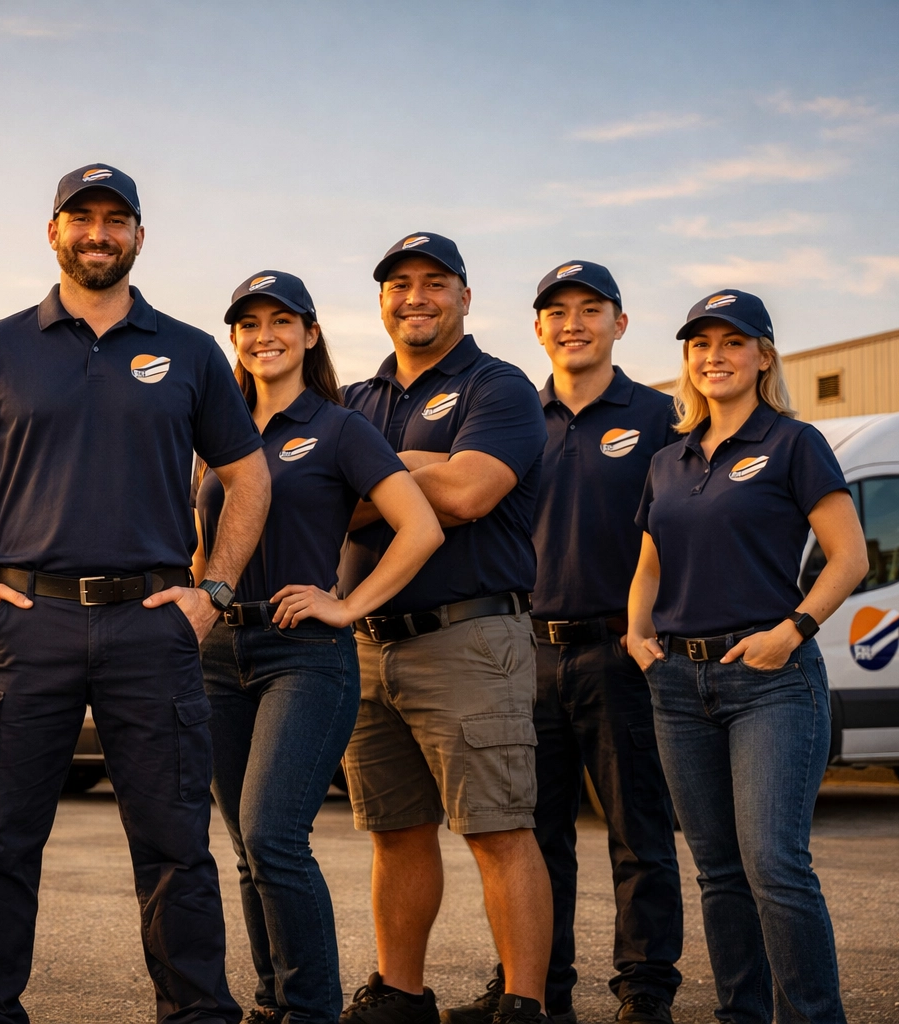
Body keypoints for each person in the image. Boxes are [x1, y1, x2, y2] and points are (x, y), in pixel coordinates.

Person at [0, 163, 271, 1024]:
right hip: (29, 622)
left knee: (177, 846)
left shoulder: (188, 350)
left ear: (140, 235)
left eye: (115, 220)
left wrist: (212, 589)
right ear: (54, 232)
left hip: (152, 624)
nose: (98, 233)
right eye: (82, 219)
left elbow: (248, 478)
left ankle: (197, 1013)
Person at [195, 272, 442, 1024]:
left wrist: (346, 605)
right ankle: (272, 1003)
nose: (264, 334)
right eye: (248, 324)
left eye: (281, 321)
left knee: (274, 835)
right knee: (244, 848)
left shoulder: (339, 427)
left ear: (309, 334)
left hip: (302, 655)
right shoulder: (216, 433)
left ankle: (311, 1010)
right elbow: (202, 548)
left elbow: (421, 527)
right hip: (216, 659)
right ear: (234, 339)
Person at [445, 261, 683, 1024]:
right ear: (538, 327)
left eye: (591, 308)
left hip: (622, 653)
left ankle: (645, 991)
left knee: (637, 832)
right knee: (529, 834)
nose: (573, 322)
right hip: (520, 650)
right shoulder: (514, 416)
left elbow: (689, 532)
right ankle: (535, 989)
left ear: (621, 322)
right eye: (557, 311)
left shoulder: (661, 417)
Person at [626, 291, 866, 1024]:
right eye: (701, 345)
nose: (715, 356)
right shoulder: (670, 459)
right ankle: (743, 1015)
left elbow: (848, 557)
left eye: (733, 342)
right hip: (677, 683)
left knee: (774, 867)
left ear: (764, 355)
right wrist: (638, 636)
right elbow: (650, 563)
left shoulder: (794, 443)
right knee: (720, 873)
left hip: (770, 680)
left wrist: (792, 628)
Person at [335, 232, 552, 1024]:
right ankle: (402, 993)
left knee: (497, 830)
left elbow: (467, 495)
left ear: (465, 296)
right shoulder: (354, 399)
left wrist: (379, 475)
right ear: (382, 300)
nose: (416, 296)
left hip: (468, 641)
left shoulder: (500, 388)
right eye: (399, 284)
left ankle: (523, 1005)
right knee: (394, 831)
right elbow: (322, 499)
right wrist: (416, 466)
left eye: (435, 282)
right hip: (366, 644)